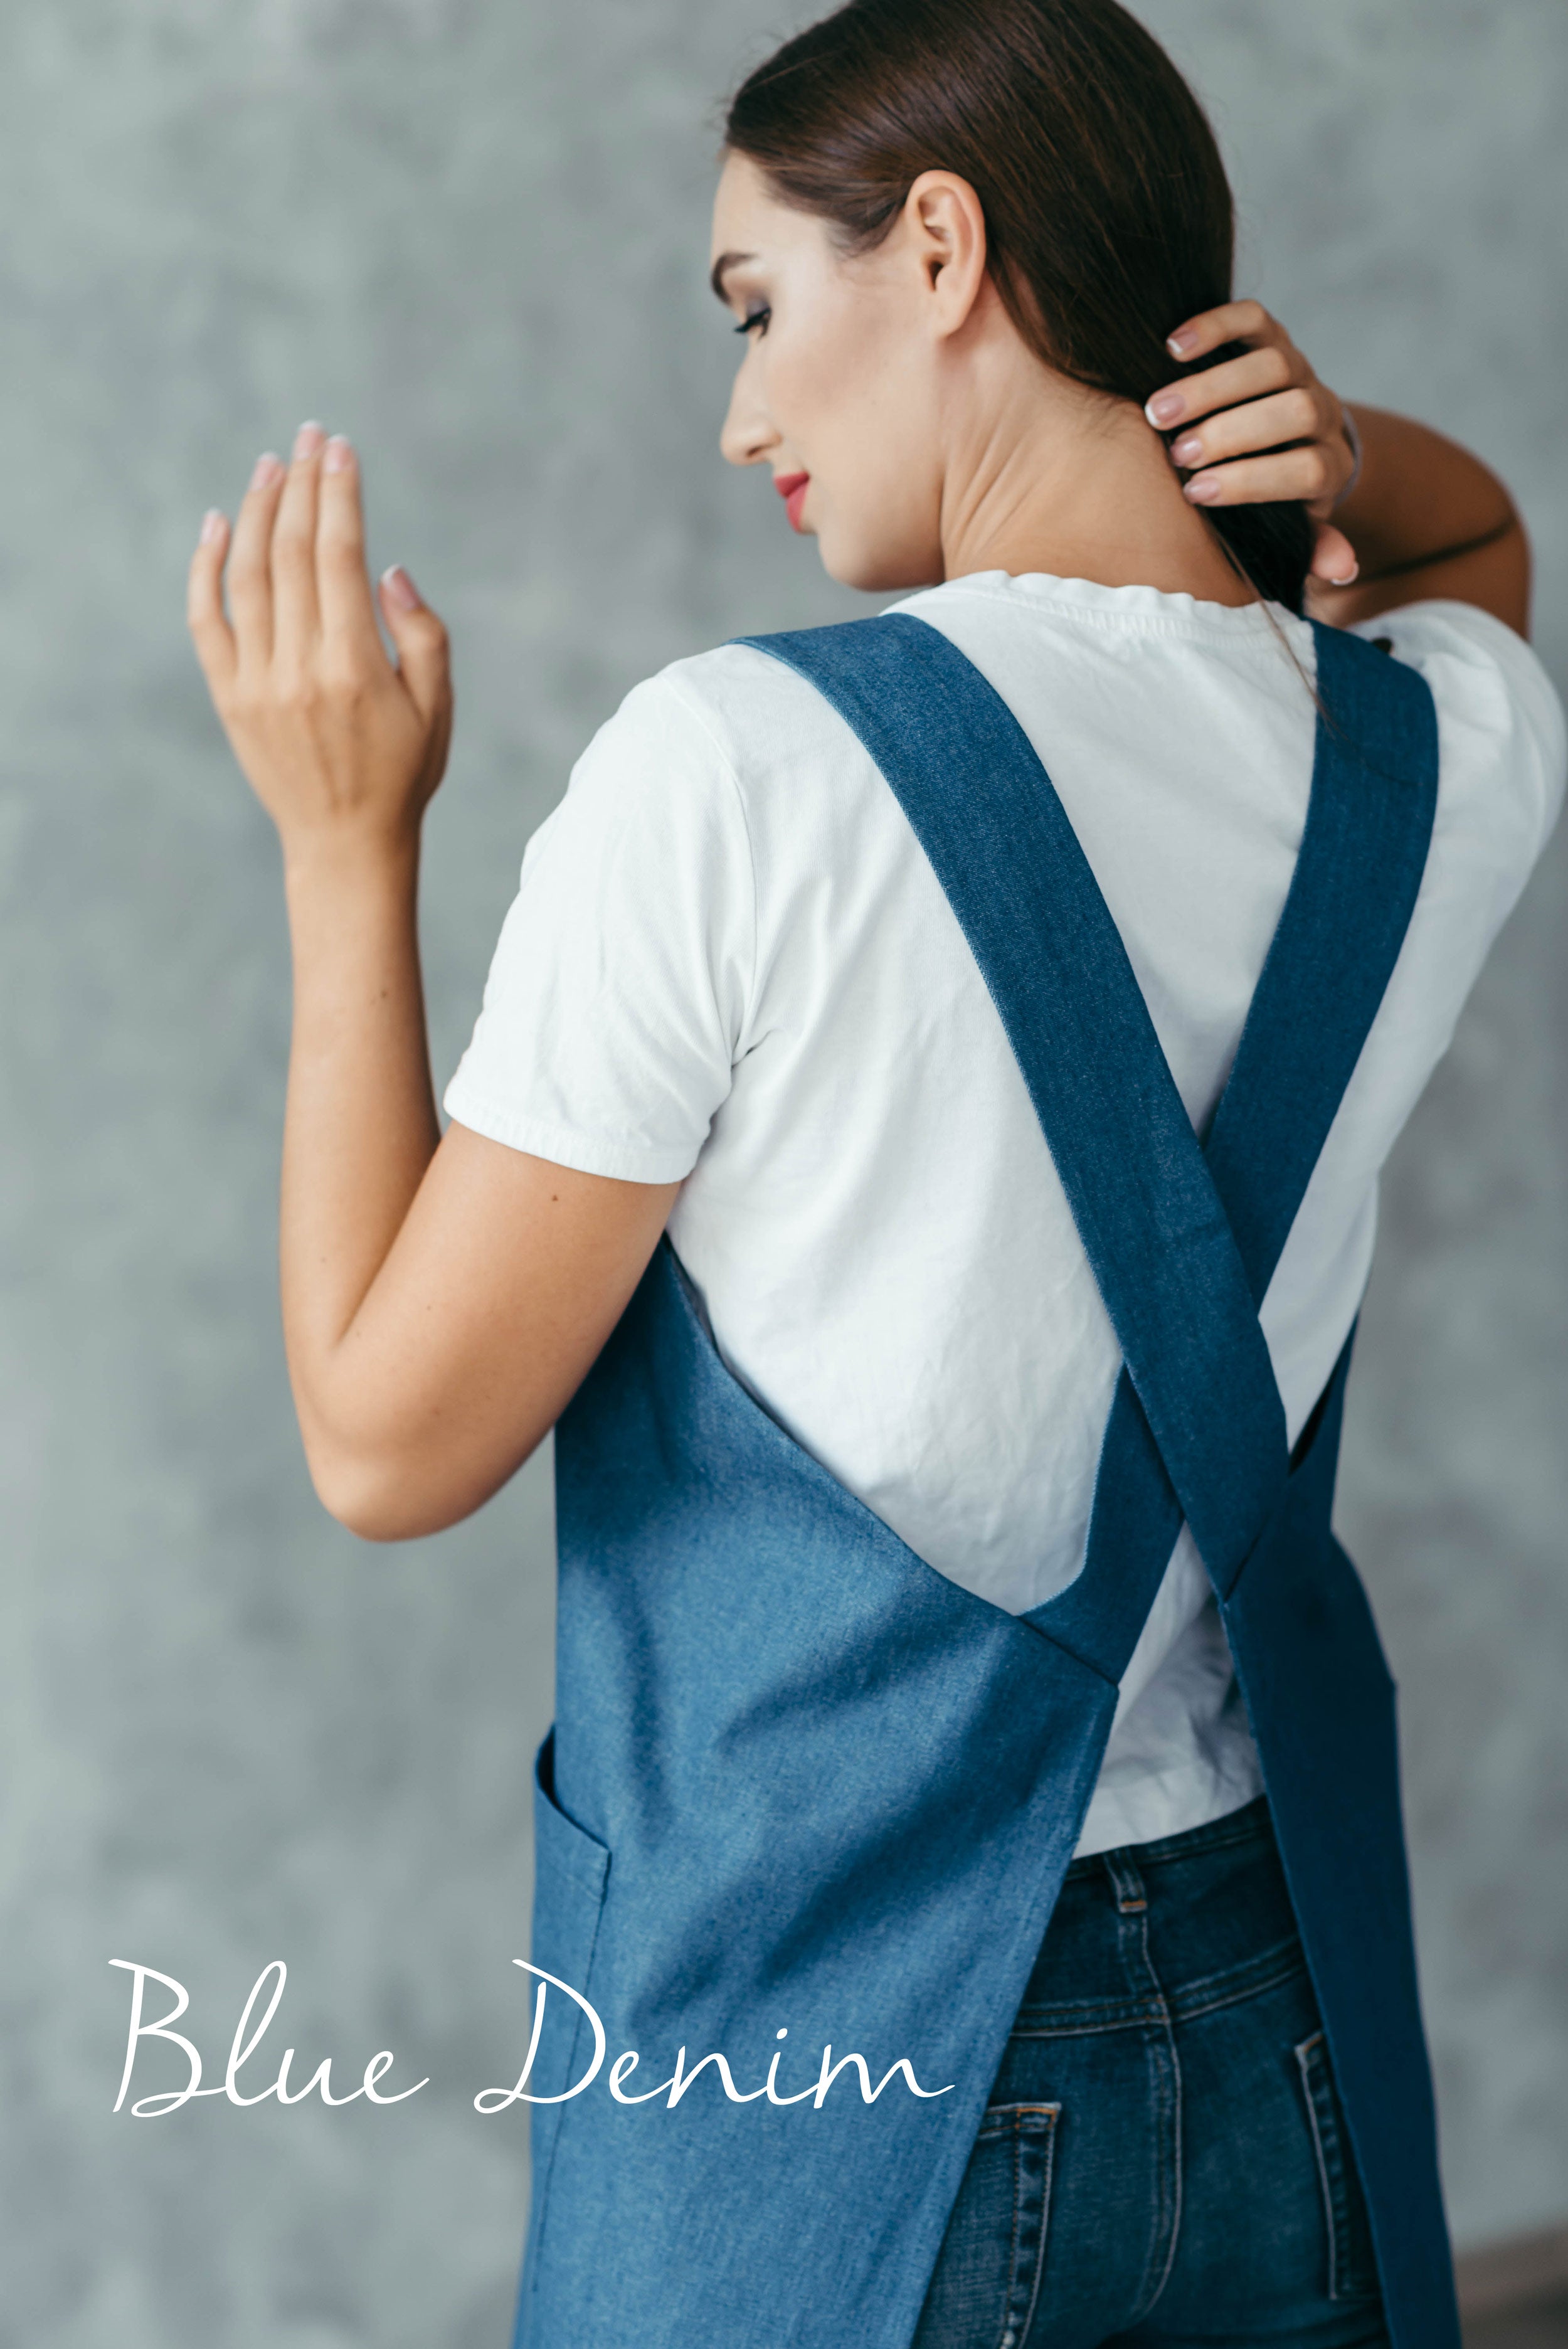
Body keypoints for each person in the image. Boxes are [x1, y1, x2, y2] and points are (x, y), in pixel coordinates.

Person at [186, 2, 1564, 2343]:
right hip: (1281, 2004)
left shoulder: (734, 775)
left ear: (937, 245)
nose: (738, 415)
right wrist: (1310, 439)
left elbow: (383, 1435)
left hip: (841, 2056)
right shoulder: (1436, 757)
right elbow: (1467, 540)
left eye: (755, 306)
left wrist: (346, 847)